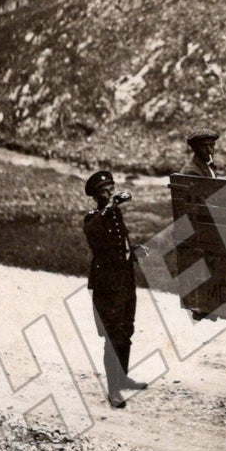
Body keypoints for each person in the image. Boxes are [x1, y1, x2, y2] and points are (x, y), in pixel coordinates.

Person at [81, 170, 147, 409]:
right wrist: (109, 206)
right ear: (96, 196)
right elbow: (95, 235)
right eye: (105, 191)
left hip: (125, 279)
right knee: (112, 334)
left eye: (112, 188)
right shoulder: (93, 217)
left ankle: (123, 377)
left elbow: (120, 243)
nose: (111, 194)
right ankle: (113, 390)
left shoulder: (114, 214)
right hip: (107, 284)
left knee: (126, 329)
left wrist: (135, 251)